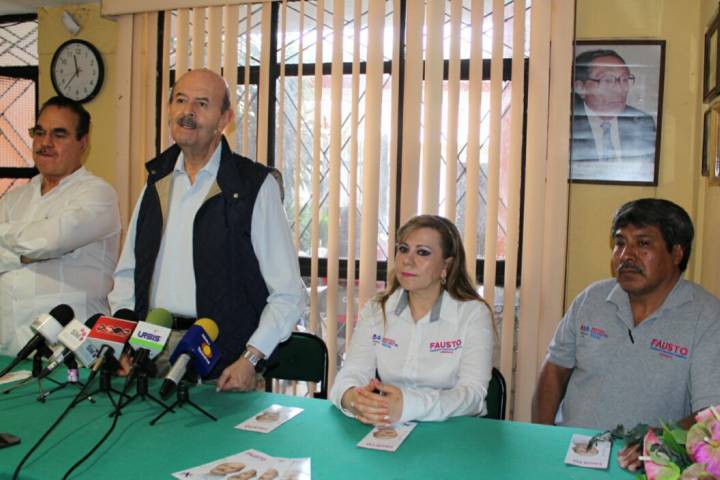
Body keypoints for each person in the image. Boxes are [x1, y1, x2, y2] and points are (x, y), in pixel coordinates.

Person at [108, 68, 305, 389]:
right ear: (169, 109)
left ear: (224, 119)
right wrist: (123, 340)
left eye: (202, 104)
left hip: (225, 362)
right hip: (150, 351)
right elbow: (127, 274)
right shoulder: (156, 181)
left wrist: (251, 358)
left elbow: (288, 292)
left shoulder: (254, 186)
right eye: (180, 100)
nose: (188, 112)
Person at [532, 198, 720, 472]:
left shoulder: (706, 317)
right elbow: (554, 370)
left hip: (645, 465)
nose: (626, 256)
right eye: (620, 243)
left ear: (677, 253)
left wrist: (659, 443)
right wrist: (542, 438)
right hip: (571, 453)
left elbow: (712, 415)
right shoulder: (591, 300)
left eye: (643, 244)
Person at [329, 215, 495, 424]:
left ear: (446, 265)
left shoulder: (473, 314)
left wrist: (408, 406)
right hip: (388, 423)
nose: (407, 260)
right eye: (403, 249)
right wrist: (353, 398)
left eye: (422, 252)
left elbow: (473, 395)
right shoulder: (376, 309)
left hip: (452, 429)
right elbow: (352, 373)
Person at [0, 96, 120, 355]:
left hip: (70, 350)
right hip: (10, 348)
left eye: (59, 134)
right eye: (39, 132)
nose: (45, 143)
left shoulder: (97, 194)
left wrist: (16, 246)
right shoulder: (14, 198)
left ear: (83, 143)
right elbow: (39, 246)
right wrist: (25, 254)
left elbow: (49, 242)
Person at [571, 49, 657, 181]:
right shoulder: (565, 123)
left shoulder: (641, 123)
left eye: (624, 79)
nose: (620, 89)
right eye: (607, 80)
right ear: (580, 88)